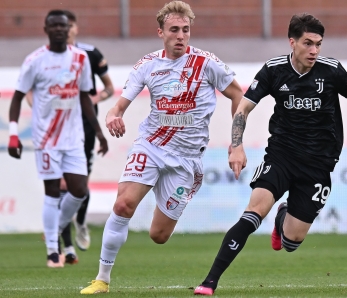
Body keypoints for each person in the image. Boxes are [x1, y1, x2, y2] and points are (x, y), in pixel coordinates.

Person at [193, 13, 347, 295]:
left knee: (292, 241)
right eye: (307, 43)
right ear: (292, 42)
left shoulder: (331, 70)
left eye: (318, 43)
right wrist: (237, 145)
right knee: (252, 214)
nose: (314, 50)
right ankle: (209, 281)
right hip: (281, 156)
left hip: (319, 163)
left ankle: (283, 216)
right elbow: (243, 107)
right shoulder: (274, 70)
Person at [80, 0, 243, 294]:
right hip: (151, 146)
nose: (181, 36)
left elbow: (237, 95)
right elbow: (118, 106)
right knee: (123, 204)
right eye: (174, 30)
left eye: (186, 30)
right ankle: (102, 279)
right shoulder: (147, 65)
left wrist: (236, 143)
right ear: (161, 32)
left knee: (158, 235)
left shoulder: (206, 63)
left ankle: (163, 202)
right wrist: (113, 116)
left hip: (186, 159)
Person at [7, 9, 108, 268]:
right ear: (46, 30)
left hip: (74, 137)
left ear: (70, 28)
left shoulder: (80, 59)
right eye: (54, 26)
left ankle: (53, 230)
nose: (59, 30)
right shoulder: (35, 60)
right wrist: (14, 134)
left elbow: (85, 96)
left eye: (63, 25)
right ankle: (53, 249)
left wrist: (98, 132)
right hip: (47, 139)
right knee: (52, 192)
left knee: (79, 190)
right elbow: (17, 97)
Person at [58, 9, 115, 263]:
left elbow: (109, 88)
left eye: (69, 25)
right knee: (60, 184)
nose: (65, 30)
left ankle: (80, 222)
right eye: (60, 25)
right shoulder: (45, 59)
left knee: (79, 185)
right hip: (58, 129)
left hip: (85, 127)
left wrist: (93, 99)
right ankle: (62, 245)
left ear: (75, 28)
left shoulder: (90, 54)